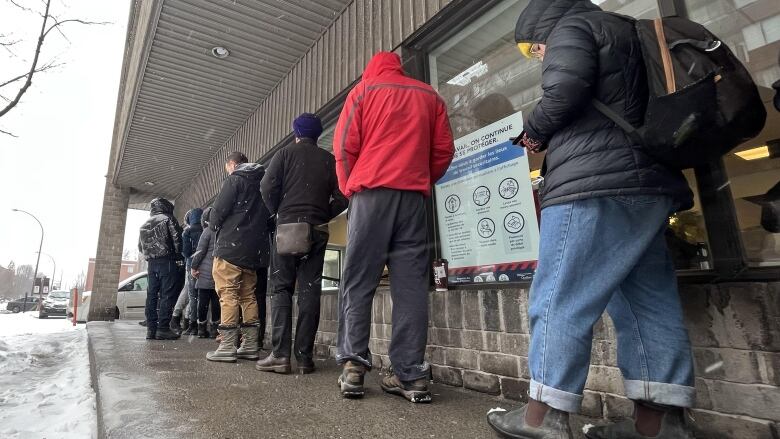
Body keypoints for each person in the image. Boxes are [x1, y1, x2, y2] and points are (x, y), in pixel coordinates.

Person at [487, 1, 696, 438]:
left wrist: (533, 132)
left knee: (559, 296)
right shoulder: (631, 32)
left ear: (540, 29)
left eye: (533, 49)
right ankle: (658, 426)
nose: (538, 55)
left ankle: (542, 417)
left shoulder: (573, 27)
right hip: (648, 184)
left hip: (593, 184)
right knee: (647, 302)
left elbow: (564, 89)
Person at [333, 52, 454, 402]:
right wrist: (418, 178)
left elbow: (343, 147)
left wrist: (350, 187)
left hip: (370, 195)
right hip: (413, 199)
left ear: (370, 67)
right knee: (411, 286)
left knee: (358, 281)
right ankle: (410, 375)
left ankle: (354, 367)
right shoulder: (430, 95)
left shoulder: (364, 90)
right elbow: (444, 150)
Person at [256, 113, 348, 375]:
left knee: (282, 288)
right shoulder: (329, 160)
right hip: (317, 230)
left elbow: (266, 187)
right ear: (318, 135)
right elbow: (343, 197)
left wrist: (279, 212)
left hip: (288, 229)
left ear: (296, 132)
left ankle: (280, 356)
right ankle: (305, 358)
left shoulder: (285, 155)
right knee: (310, 289)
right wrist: (322, 215)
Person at [206, 151, 269, 363]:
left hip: (230, 247)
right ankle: (250, 345)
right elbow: (270, 218)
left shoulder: (235, 180)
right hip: (254, 251)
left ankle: (227, 346)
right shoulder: (263, 183)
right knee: (248, 296)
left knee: (228, 294)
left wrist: (215, 228)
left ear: (232, 164)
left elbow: (217, 214)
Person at [138, 197, 185, 340]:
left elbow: (140, 247)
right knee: (167, 294)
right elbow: (177, 240)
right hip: (167, 261)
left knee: (152, 295)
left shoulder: (144, 224)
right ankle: (163, 328)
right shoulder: (168, 218)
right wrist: (179, 257)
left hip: (152, 263)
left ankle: (151, 329)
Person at [190, 207, 220, 338]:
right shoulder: (222, 230)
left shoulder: (207, 231)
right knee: (216, 302)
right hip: (219, 272)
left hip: (205, 273)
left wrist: (193, 267)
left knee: (202, 302)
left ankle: (201, 329)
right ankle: (214, 329)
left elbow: (200, 251)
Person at [180, 208, 203, 335]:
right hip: (205, 267)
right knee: (203, 297)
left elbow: (186, 252)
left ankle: (193, 325)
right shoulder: (206, 230)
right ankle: (202, 326)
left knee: (193, 297)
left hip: (191, 267)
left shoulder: (187, 231)